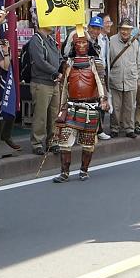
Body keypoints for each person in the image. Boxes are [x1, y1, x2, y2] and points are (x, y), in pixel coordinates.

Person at [53, 34, 109, 183]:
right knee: (64, 141)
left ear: (89, 44)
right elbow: (64, 87)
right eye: (78, 43)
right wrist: (61, 106)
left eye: (84, 43)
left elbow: (101, 83)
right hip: (71, 106)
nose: (82, 46)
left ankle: (84, 170)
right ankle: (64, 173)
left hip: (90, 108)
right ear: (73, 45)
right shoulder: (68, 63)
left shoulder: (95, 63)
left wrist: (104, 99)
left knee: (88, 143)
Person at [29, 25, 62, 155]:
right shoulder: (36, 40)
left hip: (54, 82)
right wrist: (56, 72)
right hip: (41, 82)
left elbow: (59, 57)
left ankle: (53, 141)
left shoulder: (51, 40)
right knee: (40, 115)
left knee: (54, 114)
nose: (54, 24)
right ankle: (37, 143)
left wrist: (62, 68)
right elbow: (40, 61)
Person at [108, 18, 140, 138]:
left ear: (131, 31)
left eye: (127, 30)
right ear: (119, 29)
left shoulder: (135, 43)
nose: (125, 32)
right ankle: (114, 128)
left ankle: (129, 128)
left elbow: (139, 61)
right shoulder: (111, 41)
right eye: (123, 29)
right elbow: (107, 60)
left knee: (130, 106)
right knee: (116, 107)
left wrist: (139, 78)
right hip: (115, 77)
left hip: (131, 78)